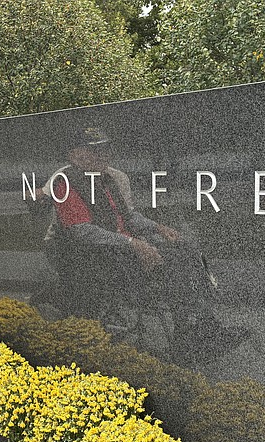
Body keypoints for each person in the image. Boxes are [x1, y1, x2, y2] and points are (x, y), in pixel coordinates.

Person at [41, 127, 244, 360]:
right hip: (92, 259)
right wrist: (132, 244)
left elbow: (128, 217)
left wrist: (157, 228)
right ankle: (187, 334)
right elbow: (82, 231)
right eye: (95, 151)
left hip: (119, 251)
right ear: (75, 155)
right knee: (176, 265)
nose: (104, 156)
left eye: (106, 150)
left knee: (186, 250)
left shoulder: (107, 179)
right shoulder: (66, 183)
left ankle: (204, 326)